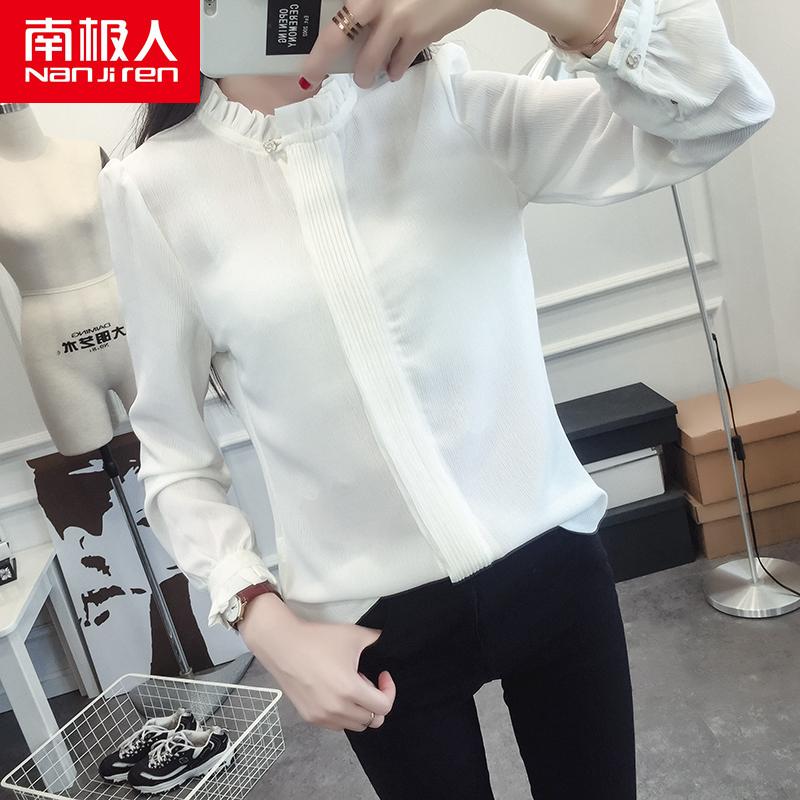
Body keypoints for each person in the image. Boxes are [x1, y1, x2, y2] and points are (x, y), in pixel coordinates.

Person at [98, 0, 775, 797]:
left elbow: (722, 109)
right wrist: (265, 621)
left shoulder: (453, 103)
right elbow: (173, 455)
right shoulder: (153, 188)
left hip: (553, 569)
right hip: (365, 628)